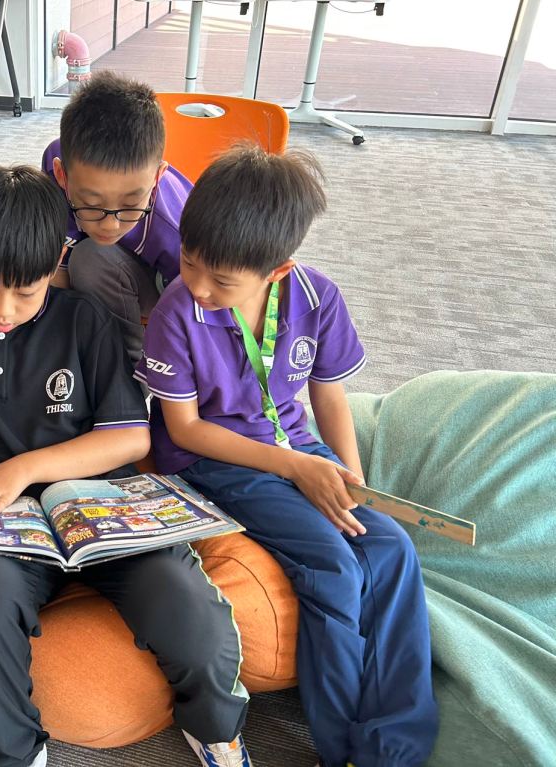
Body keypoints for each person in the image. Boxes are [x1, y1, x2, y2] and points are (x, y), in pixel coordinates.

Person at [0, 164, 253, 767]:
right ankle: (10, 753)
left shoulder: (85, 321)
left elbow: (128, 438)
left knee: (190, 614)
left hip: (101, 513)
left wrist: (22, 468)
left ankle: (214, 727)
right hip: (2, 529)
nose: (4, 309)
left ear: (58, 259)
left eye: (27, 292)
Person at [136, 144, 439, 767]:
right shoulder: (176, 311)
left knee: (391, 548)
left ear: (277, 270)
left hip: (296, 444)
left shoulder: (317, 297)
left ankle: (395, 744)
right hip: (215, 461)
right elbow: (185, 430)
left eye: (222, 280)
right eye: (189, 261)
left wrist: (350, 480)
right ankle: (343, 746)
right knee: (333, 565)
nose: (198, 286)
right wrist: (297, 467)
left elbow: (328, 395)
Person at [42, 70, 193, 363]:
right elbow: (54, 260)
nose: (110, 225)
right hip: (109, 272)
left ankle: (127, 368)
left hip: (174, 286)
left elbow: (202, 310)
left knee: (92, 257)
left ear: (157, 178)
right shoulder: (55, 163)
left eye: (130, 204)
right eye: (91, 204)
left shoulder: (176, 231)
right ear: (62, 175)